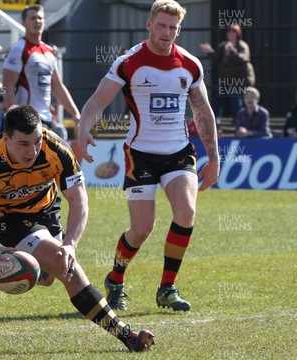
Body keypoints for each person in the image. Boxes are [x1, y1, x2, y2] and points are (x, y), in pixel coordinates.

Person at [0, 104, 155, 352]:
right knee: (64, 266)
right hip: (6, 218)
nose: (33, 150)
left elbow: (79, 199)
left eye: (36, 141)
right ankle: (126, 335)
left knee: (45, 276)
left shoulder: (55, 148)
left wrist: (70, 243)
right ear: (6, 139)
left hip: (46, 210)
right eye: (24, 144)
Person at [78, 0, 220, 312]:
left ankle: (167, 288)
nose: (167, 32)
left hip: (179, 153)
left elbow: (203, 111)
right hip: (140, 155)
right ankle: (115, 279)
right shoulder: (129, 62)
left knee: (186, 212)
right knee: (142, 229)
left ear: (178, 30)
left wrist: (214, 157)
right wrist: (83, 130)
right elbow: (97, 101)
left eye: (173, 27)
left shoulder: (190, 65)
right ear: (149, 25)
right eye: (161, 25)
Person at [2, 5, 81, 136]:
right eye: (33, 18)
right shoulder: (18, 50)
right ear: (24, 23)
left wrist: (75, 113)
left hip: (47, 120)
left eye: (40, 18)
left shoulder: (50, 51)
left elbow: (58, 87)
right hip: (26, 121)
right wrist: (14, 119)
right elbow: (7, 87)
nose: (37, 21)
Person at [199, 23, 255, 123]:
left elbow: (243, 59)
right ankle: (215, 119)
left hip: (240, 78)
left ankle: (239, 120)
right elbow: (217, 59)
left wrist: (233, 51)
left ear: (237, 34)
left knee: (234, 96)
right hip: (226, 79)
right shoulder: (223, 46)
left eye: (233, 32)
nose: (230, 34)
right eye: (229, 32)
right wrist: (209, 52)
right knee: (218, 96)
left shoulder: (242, 45)